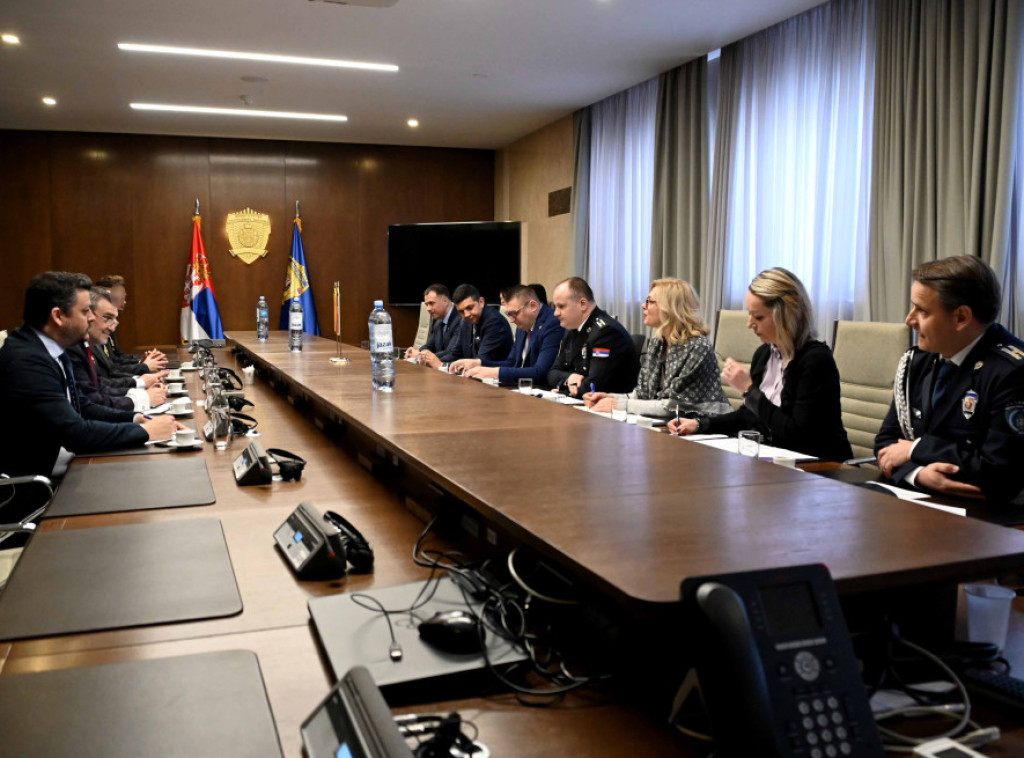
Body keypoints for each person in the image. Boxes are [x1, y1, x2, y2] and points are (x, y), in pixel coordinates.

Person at [875, 256, 1024, 502]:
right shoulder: (918, 360)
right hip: (923, 500)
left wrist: (916, 449)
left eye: (921, 310)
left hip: (990, 519)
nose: (909, 320)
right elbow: (887, 442)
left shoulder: (1011, 373)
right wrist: (918, 474)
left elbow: (1000, 473)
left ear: (961, 318)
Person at [0, 272, 178, 478]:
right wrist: (147, 432)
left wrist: (137, 419)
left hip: (68, 466)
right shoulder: (26, 361)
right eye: (85, 311)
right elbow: (75, 434)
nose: (92, 317)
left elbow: (83, 407)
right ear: (58, 316)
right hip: (38, 487)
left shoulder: (52, 349)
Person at [668, 267, 852, 461]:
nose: (749, 324)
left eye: (759, 317)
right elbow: (748, 415)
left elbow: (797, 434)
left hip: (820, 468)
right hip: (777, 462)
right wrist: (699, 424)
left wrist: (749, 391)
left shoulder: (816, 361)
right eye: (750, 315)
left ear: (786, 316)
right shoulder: (764, 354)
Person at [584, 278, 731, 418]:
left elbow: (674, 407)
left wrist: (619, 405)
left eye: (650, 301)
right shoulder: (657, 343)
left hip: (707, 429)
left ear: (670, 308)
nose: (643, 305)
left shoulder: (698, 347)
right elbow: (641, 395)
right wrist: (608, 397)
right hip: (670, 426)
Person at [66, 287, 167, 412]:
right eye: (107, 318)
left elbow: (100, 386)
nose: (112, 328)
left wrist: (141, 384)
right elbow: (91, 401)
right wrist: (143, 395)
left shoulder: (83, 345)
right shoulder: (72, 348)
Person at [450, 285, 564, 386]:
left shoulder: (552, 323)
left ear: (532, 306)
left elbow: (541, 372)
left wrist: (496, 372)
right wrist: (478, 363)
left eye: (514, 313)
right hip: (521, 388)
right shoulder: (522, 326)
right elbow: (511, 362)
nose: (511, 320)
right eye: (509, 314)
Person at [546, 277, 639, 396]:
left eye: (561, 306)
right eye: (555, 307)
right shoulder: (573, 329)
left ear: (583, 304)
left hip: (610, 409)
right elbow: (552, 373)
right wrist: (570, 378)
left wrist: (565, 390)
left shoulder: (606, 332)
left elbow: (595, 386)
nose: (556, 313)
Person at [420, 283, 513, 368]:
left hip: (496, 382)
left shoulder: (494, 322)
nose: (466, 314)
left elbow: (480, 362)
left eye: (470, 307)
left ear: (481, 302)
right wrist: (430, 362)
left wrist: (442, 365)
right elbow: (455, 354)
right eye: (461, 311)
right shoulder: (465, 321)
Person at [95, 274, 167, 374]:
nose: (124, 302)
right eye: (119, 298)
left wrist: (141, 362)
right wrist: (143, 367)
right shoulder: (96, 332)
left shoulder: (108, 326)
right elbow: (110, 370)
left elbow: (116, 356)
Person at [405, 284, 465, 364]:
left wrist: (420, 356)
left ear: (445, 301)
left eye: (431, 303)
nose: (428, 309)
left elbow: (451, 353)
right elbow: (428, 346)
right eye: (427, 304)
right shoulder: (438, 322)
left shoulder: (461, 320)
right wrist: (416, 352)